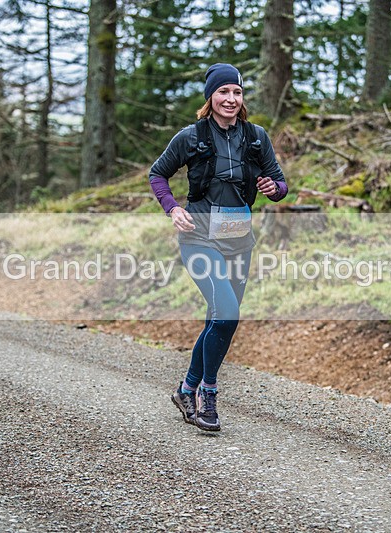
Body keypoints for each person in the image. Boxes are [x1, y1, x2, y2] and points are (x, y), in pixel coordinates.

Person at [149, 63, 288, 432]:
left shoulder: (256, 137)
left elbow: (278, 180)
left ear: (242, 98)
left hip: (239, 240)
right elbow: (157, 173)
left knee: (220, 319)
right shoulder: (190, 137)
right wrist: (173, 207)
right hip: (198, 237)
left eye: (237, 92)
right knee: (227, 312)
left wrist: (276, 190)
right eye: (223, 92)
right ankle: (208, 394)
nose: (230, 99)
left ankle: (185, 389)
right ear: (210, 97)